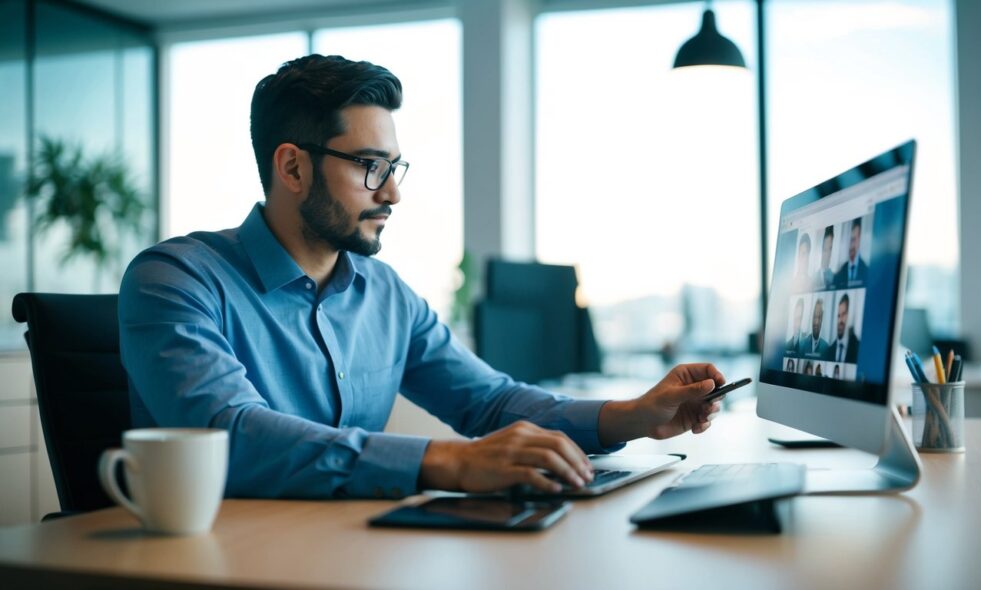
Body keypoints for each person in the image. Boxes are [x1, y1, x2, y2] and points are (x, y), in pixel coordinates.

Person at [118, 55, 724, 500]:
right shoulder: (174, 280)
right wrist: (447, 463)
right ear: (293, 166)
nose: (393, 192)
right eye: (370, 166)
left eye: (394, 165)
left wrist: (629, 416)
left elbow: (489, 402)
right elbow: (231, 435)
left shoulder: (385, 297)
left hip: (350, 550)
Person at [826, 293, 860, 364]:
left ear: (849, 315)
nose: (840, 320)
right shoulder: (829, 351)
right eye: (838, 316)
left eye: (844, 314)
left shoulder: (858, 348)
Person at [835, 218, 869, 288]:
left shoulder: (867, 272)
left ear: (860, 240)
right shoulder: (838, 275)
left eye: (853, 240)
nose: (851, 246)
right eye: (849, 241)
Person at [813, 225, 835, 290]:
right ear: (821, 250)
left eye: (830, 249)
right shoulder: (813, 279)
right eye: (825, 249)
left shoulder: (834, 277)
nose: (828, 255)